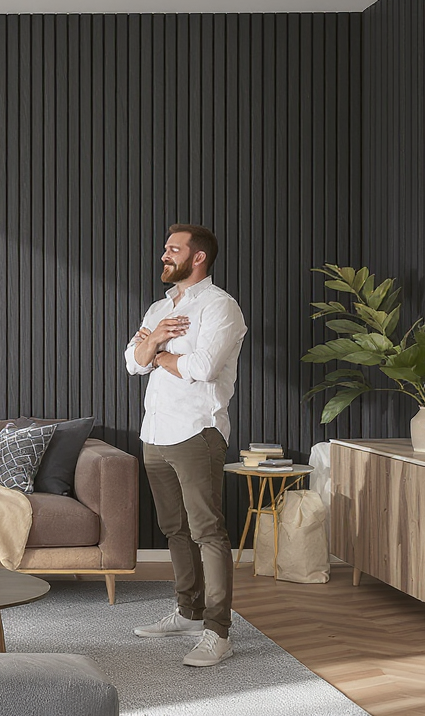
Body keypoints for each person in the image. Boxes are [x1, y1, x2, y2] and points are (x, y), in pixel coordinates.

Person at [123, 223, 247, 667]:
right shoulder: (160, 307)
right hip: (155, 432)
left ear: (198, 258)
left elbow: (205, 367)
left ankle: (219, 631)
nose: (164, 256)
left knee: (207, 530)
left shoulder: (220, 307)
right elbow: (131, 362)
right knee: (174, 528)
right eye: (165, 249)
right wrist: (155, 341)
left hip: (197, 430)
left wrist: (158, 353)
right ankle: (188, 610)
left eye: (173, 250)